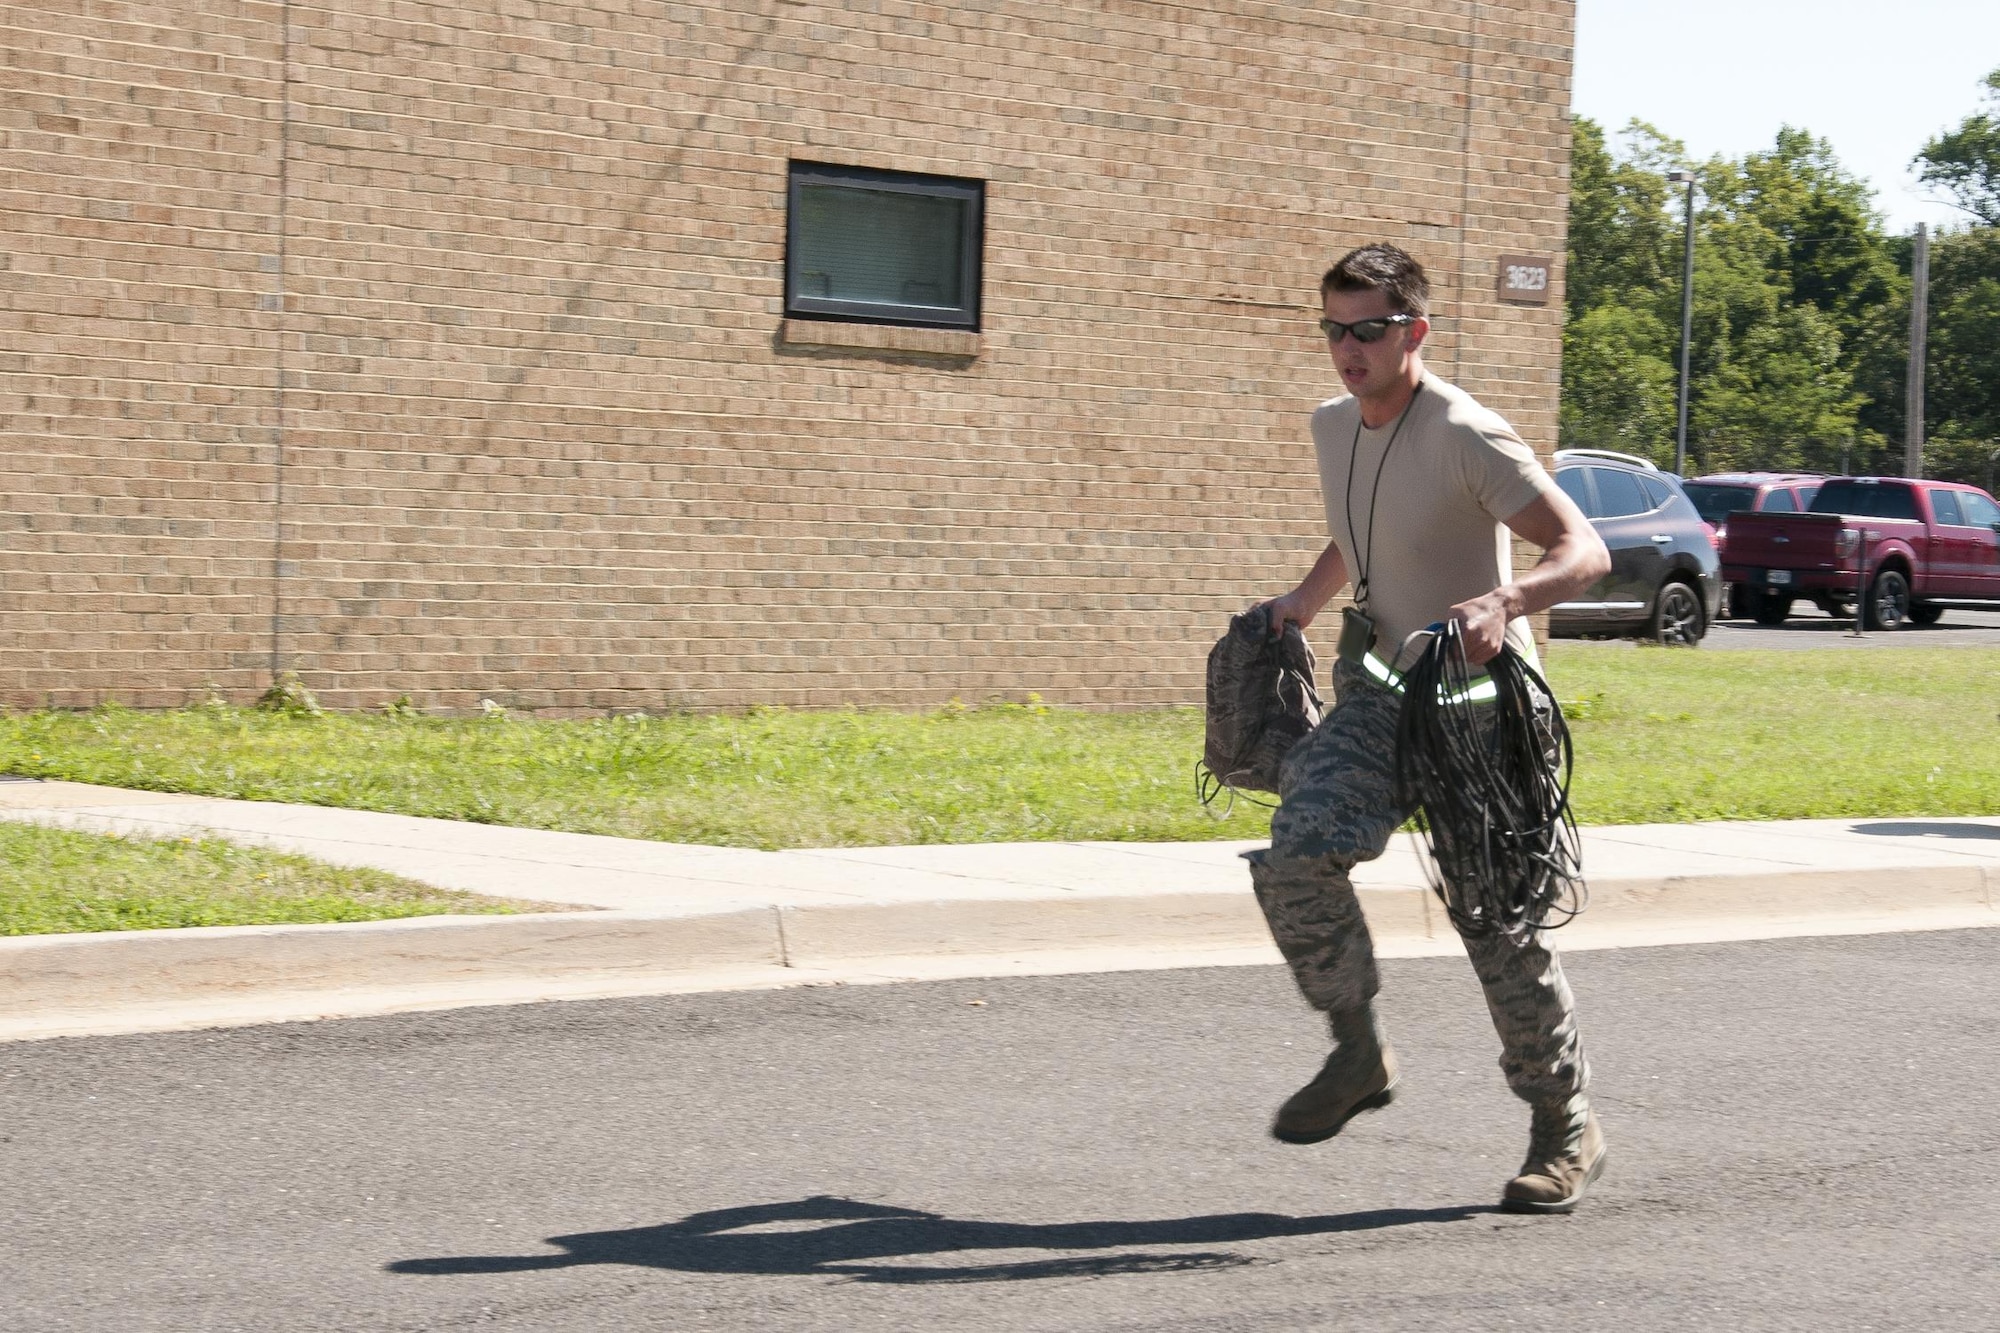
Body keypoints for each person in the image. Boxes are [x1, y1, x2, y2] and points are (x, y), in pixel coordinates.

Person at [1248, 243, 1613, 1214]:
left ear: (1412, 329)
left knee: (1496, 927)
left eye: (1367, 328)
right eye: (1332, 327)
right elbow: (1358, 528)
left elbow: (1583, 549)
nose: (1346, 347)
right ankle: (1356, 1052)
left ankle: (1563, 1123)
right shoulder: (1334, 426)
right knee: (1295, 851)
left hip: (1478, 712)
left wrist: (1506, 597)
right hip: (1379, 692)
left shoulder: (1465, 431)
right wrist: (1300, 596)